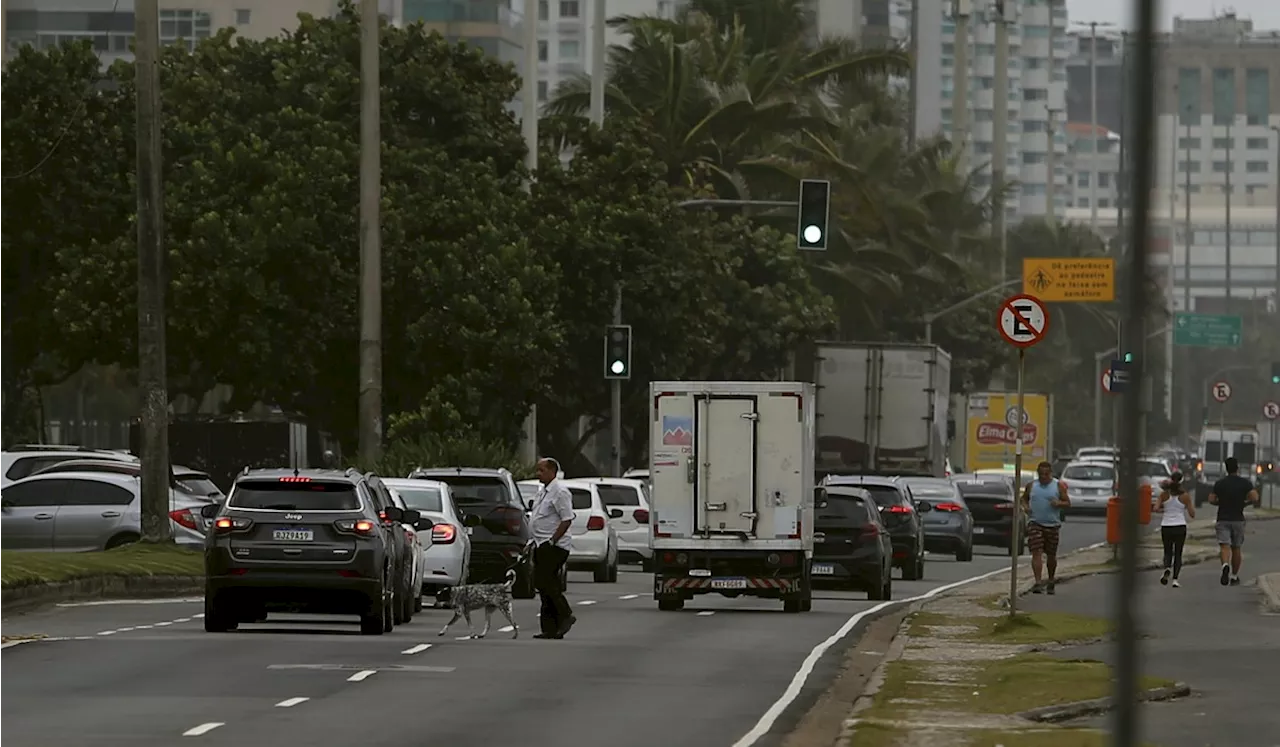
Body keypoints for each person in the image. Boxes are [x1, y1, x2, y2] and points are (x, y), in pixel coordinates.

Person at [529, 457, 577, 638]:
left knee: (546, 582)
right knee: (543, 585)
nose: (538, 474)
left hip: (554, 546)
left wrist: (553, 541)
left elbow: (566, 519)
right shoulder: (543, 492)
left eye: (541, 470)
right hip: (540, 543)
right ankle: (550, 628)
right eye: (537, 470)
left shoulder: (560, 492)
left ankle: (565, 615)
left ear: (552, 471)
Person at [1208, 456, 1260, 586]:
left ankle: (1225, 564)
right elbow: (1255, 497)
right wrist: (1245, 503)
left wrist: (1220, 502)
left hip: (1223, 519)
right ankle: (1234, 576)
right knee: (1236, 548)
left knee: (1224, 546)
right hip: (1238, 519)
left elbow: (1211, 499)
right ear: (1237, 468)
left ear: (1226, 468)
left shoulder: (1220, 484)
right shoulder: (1245, 483)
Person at [1022, 460, 1070, 595]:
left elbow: (1068, 502)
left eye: (1046, 474)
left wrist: (1058, 503)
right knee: (1036, 552)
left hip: (1052, 525)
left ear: (1051, 473)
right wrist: (1026, 507)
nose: (1043, 476)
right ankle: (1037, 582)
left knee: (1051, 555)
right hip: (1035, 523)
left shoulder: (1058, 486)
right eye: (1041, 474)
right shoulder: (1032, 486)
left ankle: (1050, 579)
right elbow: (1024, 498)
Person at [1156, 472, 1194, 588]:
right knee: (1178, 553)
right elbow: (1192, 514)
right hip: (1180, 526)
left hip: (1166, 526)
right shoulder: (1185, 496)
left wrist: (1165, 509)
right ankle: (1175, 580)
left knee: (1167, 551)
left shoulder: (1164, 495)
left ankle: (1167, 568)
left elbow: (1155, 508)